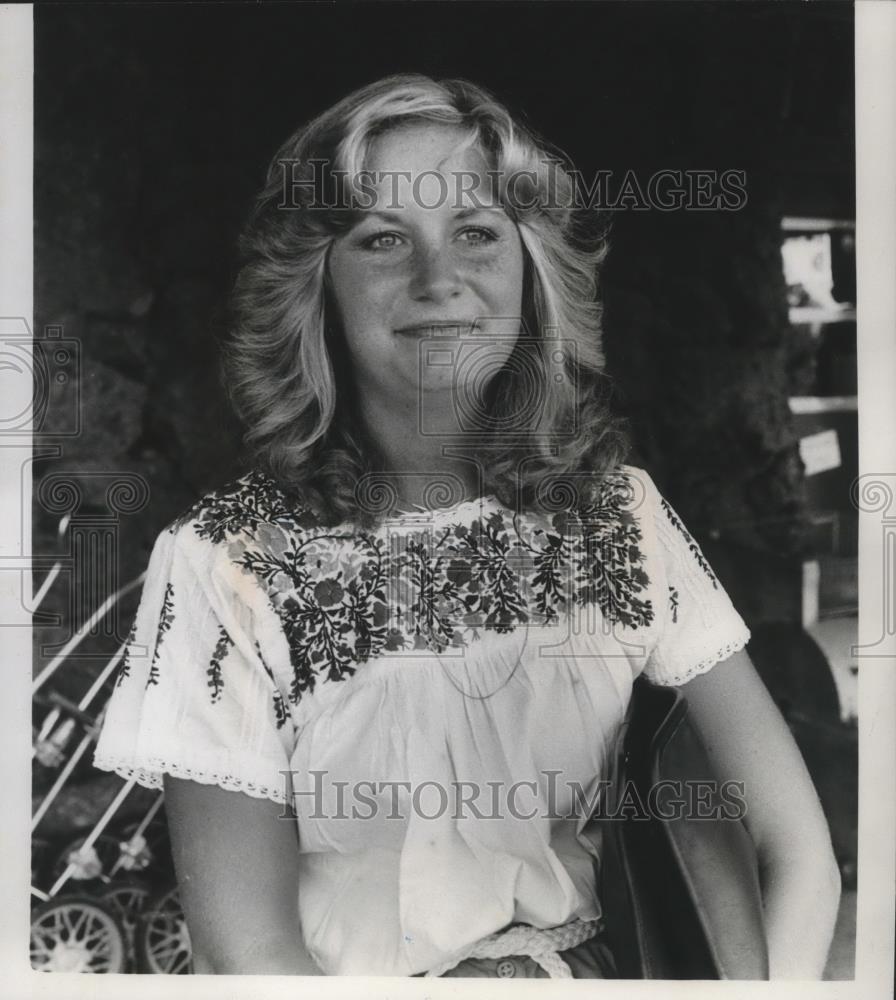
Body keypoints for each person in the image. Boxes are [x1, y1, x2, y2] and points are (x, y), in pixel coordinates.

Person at [93, 74, 841, 979]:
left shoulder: (620, 516)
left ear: (532, 278)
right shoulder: (228, 563)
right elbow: (243, 954)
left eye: (477, 234)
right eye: (381, 239)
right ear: (316, 288)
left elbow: (797, 851)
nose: (438, 280)